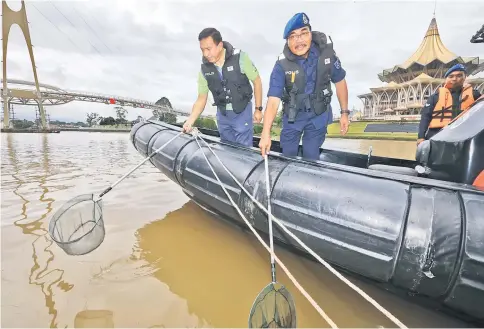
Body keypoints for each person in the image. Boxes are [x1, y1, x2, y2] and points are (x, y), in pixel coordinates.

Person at [258, 12, 349, 160]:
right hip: (293, 117)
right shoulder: (281, 64)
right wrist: (266, 133)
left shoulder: (326, 54)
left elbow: (340, 81)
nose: (298, 41)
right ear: (288, 41)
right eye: (293, 36)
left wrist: (344, 112)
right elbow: (273, 100)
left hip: (318, 115)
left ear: (311, 34)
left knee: (311, 155)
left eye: (303, 33)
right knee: (286, 155)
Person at [183, 28, 263, 147]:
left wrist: (258, 109)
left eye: (209, 49)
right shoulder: (204, 71)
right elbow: (201, 98)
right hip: (223, 115)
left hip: (242, 113)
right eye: (202, 50)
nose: (206, 54)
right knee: (226, 150)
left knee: (244, 152)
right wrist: (190, 120)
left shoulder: (241, 58)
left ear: (220, 45)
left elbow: (257, 81)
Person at [417, 63, 481, 144]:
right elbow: (425, 117)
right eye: (451, 76)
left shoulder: (475, 95)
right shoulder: (435, 96)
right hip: (437, 135)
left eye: (459, 75)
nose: (454, 79)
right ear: (446, 79)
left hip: (465, 135)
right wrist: (421, 137)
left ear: (465, 77)